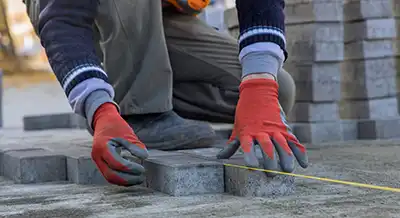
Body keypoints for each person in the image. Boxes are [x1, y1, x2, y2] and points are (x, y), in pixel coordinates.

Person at [23, 0, 308, 186]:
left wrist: (260, 84)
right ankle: (141, 112)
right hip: (75, 10)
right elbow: (63, 18)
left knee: (281, 89)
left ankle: (157, 96)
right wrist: (98, 107)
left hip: (158, 15)